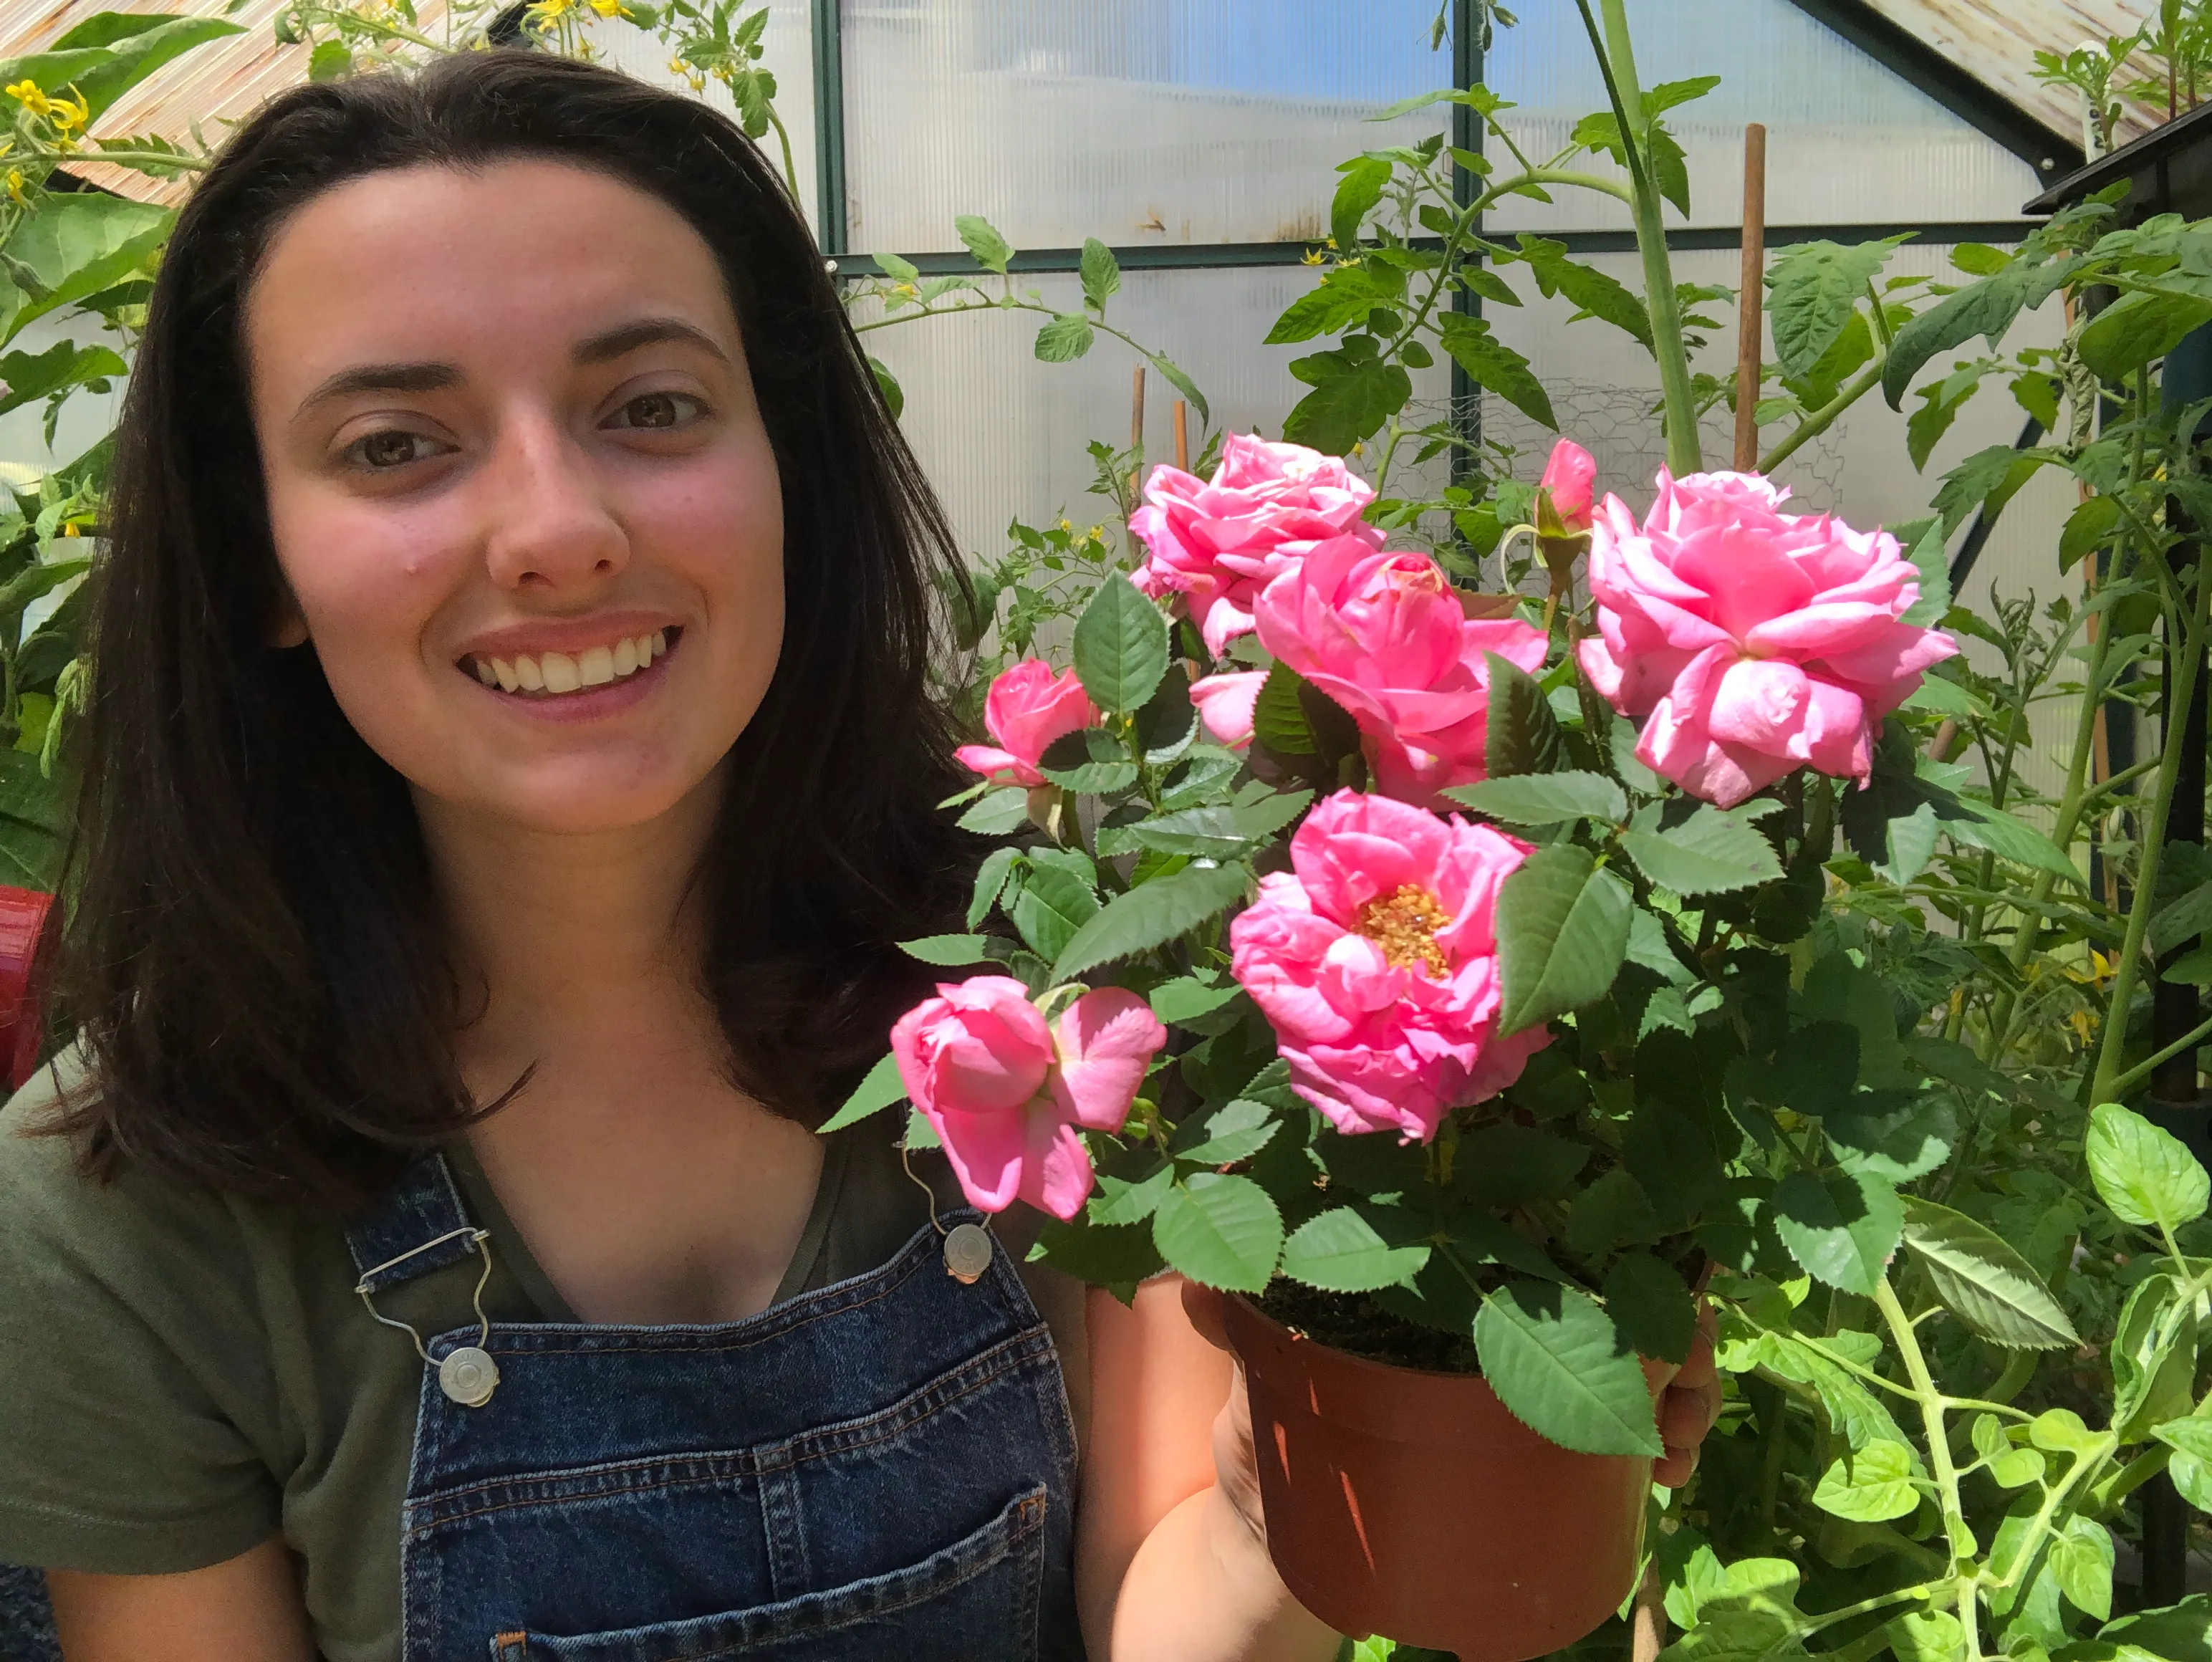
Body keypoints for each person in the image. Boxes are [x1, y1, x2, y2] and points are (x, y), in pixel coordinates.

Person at [0, 50, 1721, 1662]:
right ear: (259, 570)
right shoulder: (121, 1206)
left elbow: (1155, 1595)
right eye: (394, 446)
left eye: (650, 406)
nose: (557, 529)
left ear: (790, 474)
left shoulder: (1060, 982)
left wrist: (1306, 1480)